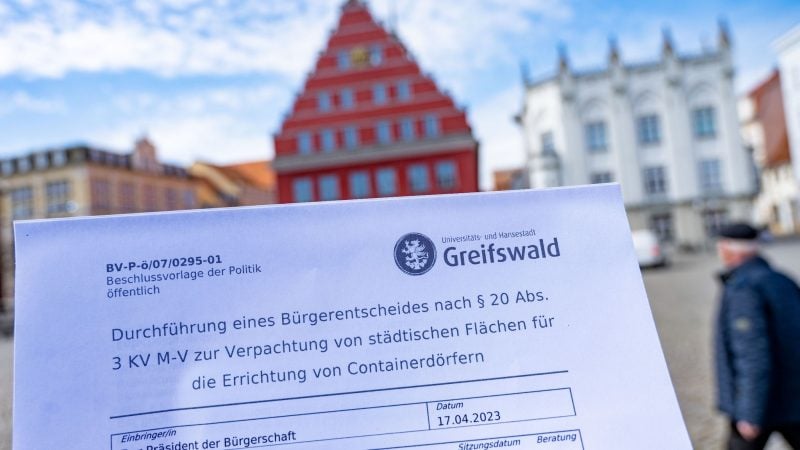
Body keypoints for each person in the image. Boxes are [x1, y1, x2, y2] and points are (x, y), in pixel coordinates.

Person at [714, 223, 800, 449]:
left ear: (727, 249)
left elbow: (752, 354)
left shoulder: (744, 288)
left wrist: (750, 412)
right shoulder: (781, 279)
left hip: (764, 405)